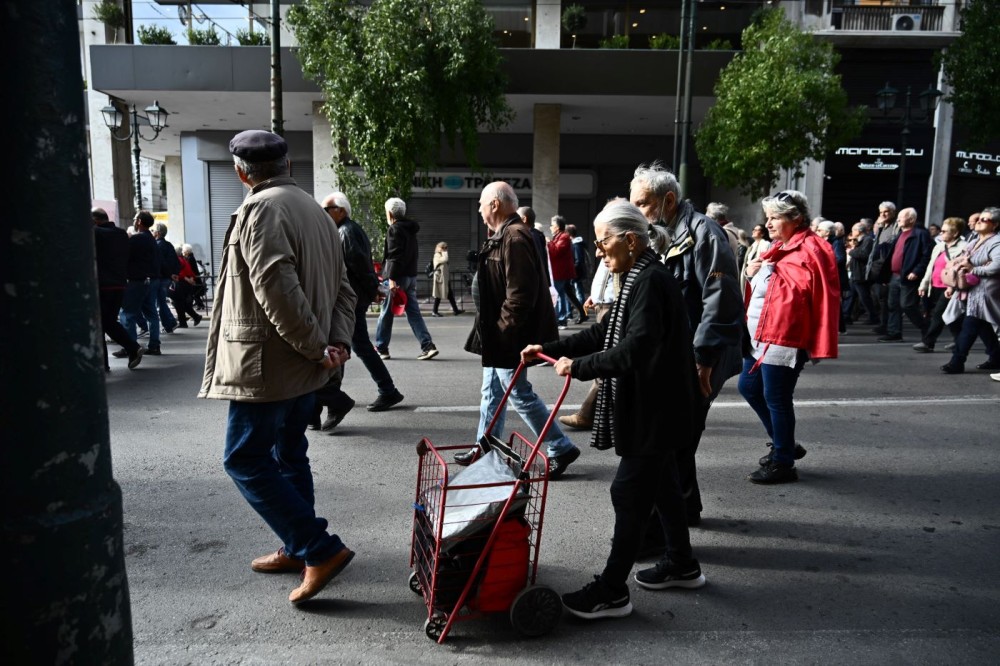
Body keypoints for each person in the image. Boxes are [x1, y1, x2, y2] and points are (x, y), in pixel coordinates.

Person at [523, 199, 704, 620]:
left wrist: (578, 367)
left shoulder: (650, 280)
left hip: (657, 409)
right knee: (662, 488)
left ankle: (611, 590)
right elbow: (606, 332)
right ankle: (682, 562)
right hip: (659, 406)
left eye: (604, 242)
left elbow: (635, 349)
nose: (599, 251)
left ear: (631, 239)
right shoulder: (640, 277)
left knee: (628, 493)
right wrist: (549, 350)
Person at [199, 130, 358, 605]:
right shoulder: (316, 211)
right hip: (303, 360)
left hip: (270, 362)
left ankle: (317, 548)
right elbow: (344, 290)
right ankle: (298, 546)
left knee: (244, 458)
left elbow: (274, 286)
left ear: (241, 171)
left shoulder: (260, 209)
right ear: (287, 165)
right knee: (290, 453)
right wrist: (334, 342)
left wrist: (317, 346)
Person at [629, 162, 743, 526]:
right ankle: (684, 516)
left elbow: (720, 298)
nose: (639, 213)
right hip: (682, 353)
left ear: (668, 199)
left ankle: (672, 529)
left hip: (699, 355)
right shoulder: (665, 231)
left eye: (643, 203)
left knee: (675, 442)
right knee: (677, 441)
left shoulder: (703, 232)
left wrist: (702, 359)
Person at [454, 181, 581, 479]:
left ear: (495, 204)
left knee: (517, 392)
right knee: (491, 393)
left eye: (482, 205)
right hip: (500, 336)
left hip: (508, 337)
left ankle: (559, 445)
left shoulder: (514, 237)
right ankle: (485, 448)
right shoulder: (506, 235)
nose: (480, 210)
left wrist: (501, 333)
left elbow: (520, 295)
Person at [741, 190, 839, 483]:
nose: (768, 223)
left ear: (795, 219)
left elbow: (811, 294)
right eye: (767, 217)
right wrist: (752, 272)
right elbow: (763, 286)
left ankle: (783, 461)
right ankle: (784, 443)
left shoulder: (812, 248)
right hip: (759, 335)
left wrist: (772, 270)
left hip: (783, 337)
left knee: (776, 398)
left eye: (775, 218)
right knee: (749, 387)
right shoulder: (778, 246)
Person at [319, 191, 404, 417]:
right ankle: (340, 395)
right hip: (353, 298)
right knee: (352, 344)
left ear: (341, 210)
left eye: (327, 209)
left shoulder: (346, 232)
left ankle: (382, 391)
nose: (324, 213)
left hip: (351, 300)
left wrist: (373, 288)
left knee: (351, 344)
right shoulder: (346, 230)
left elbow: (359, 267)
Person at [374, 197, 439, 361]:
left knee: (385, 313)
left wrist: (392, 280)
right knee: (414, 313)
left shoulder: (394, 229)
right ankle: (427, 346)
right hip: (410, 277)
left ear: (390, 213)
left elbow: (394, 256)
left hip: (397, 278)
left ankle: (381, 348)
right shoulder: (410, 229)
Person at [558, 257, 617, 431]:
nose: (598, 251)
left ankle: (587, 414)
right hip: (604, 303)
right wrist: (596, 296)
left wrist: (575, 366)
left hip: (611, 304)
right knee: (607, 359)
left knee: (607, 361)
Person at [941, 208, 1000, 374]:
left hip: (985, 292)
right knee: (982, 325)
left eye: (985, 220)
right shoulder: (974, 242)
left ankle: (957, 361)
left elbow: (996, 266)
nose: (979, 221)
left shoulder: (997, 242)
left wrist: (974, 269)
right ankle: (996, 357)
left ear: (995, 225)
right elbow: (961, 261)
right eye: (979, 218)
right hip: (970, 290)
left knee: (970, 324)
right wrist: (952, 285)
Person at [92, 207, 143, 370]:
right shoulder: (122, 234)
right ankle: (107, 362)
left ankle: (131, 348)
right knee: (108, 321)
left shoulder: (95, 233)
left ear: (95, 220)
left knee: (103, 322)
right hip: (119, 284)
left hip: (102, 285)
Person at [913, 217, 967, 353]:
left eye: (944, 231)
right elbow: (931, 267)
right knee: (951, 316)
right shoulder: (939, 246)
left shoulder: (964, 247)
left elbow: (961, 269)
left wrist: (952, 287)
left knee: (939, 314)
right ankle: (960, 340)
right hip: (935, 285)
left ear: (955, 233)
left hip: (950, 287)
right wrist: (923, 285)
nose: (940, 233)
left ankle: (928, 342)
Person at [878, 207, 932, 343]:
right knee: (893, 305)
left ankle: (926, 327)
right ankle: (894, 332)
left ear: (911, 219)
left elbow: (927, 255)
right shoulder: (900, 234)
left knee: (908, 305)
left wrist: (917, 271)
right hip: (895, 276)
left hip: (908, 276)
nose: (898, 219)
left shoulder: (920, 234)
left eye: (901, 217)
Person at [115, 210, 161, 356]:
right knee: (151, 313)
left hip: (136, 280)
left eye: (135, 219)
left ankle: (130, 347)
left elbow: (124, 256)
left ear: (139, 221)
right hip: (151, 280)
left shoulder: (137, 239)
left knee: (127, 313)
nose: (134, 221)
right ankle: (154, 345)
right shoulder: (151, 239)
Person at [867, 201, 899, 335]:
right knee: (881, 299)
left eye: (886, 211)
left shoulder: (897, 227)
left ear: (893, 212)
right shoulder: (882, 227)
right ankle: (883, 323)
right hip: (878, 268)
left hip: (889, 268)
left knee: (890, 301)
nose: (883, 215)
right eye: (881, 212)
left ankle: (890, 327)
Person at [548, 215, 585, 327]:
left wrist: (547, 242)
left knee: (559, 295)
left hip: (562, 272)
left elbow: (556, 252)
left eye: (552, 225)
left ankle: (562, 318)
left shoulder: (564, 237)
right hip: (562, 271)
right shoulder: (560, 236)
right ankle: (580, 314)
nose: (550, 227)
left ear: (557, 227)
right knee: (567, 295)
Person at [845, 221, 878, 325]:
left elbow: (864, 255)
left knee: (864, 297)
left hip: (860, 274)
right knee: (851, 296)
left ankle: (873, 316)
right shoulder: (861, 240)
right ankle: (846, 316)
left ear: (858, 231)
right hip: (856, 273)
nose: (852, 232)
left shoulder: (867, 240)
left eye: (853, 230)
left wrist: (850, 251)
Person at [151, 222, 180, 334]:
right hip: (168, 277)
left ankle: (169, 324)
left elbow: (161, 263)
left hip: (162, 277)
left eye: (153, 231)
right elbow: (176, 262)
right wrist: (174, 274)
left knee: (160, 302)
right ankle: (170, 323)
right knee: (161, 301)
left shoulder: (157, 245)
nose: (152, 232)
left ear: (158, 233)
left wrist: (170, 274)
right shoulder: (169, 245)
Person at [169, 246, 203, 328]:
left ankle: (184, 322)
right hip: (186, 284)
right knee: (182, 303)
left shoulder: (178, 260)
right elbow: (191, 272)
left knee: (178, 303)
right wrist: (190, 279)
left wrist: (186, 279)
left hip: (181, 284)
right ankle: (194, 317)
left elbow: (179, 272)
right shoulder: (184, 260)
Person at [518, 206, 549, 287]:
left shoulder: (529, 236)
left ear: (524, 219)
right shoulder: (537, 235)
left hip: (531, 284)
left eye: (517, 217)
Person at [430, 241, 463, 317]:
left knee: (450, 295)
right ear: (439, 248)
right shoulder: (437, 255)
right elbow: (445, 259)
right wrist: (444, 252)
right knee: (438, 295)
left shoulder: (442, 255)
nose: (445, 249)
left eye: (446, 247)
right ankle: (434, 311)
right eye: (443, 247)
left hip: (445, 279)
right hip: (440, 279)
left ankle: (456, 310)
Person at [567, 223, 592, 315]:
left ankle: (582, 312)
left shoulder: (576, 245)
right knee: (578, 290)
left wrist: (573, 269)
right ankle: (581, 311)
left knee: (578, 291)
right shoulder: (578, 243)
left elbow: (579, 260)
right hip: (579, 271)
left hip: (577, 272)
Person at [741, 223, 771, 298]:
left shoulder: (766, 244)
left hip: (757, 275)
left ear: (763, 233)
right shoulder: (752, 246)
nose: (753, 231)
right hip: (748, 274)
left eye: (756, 230)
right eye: (753, 229)